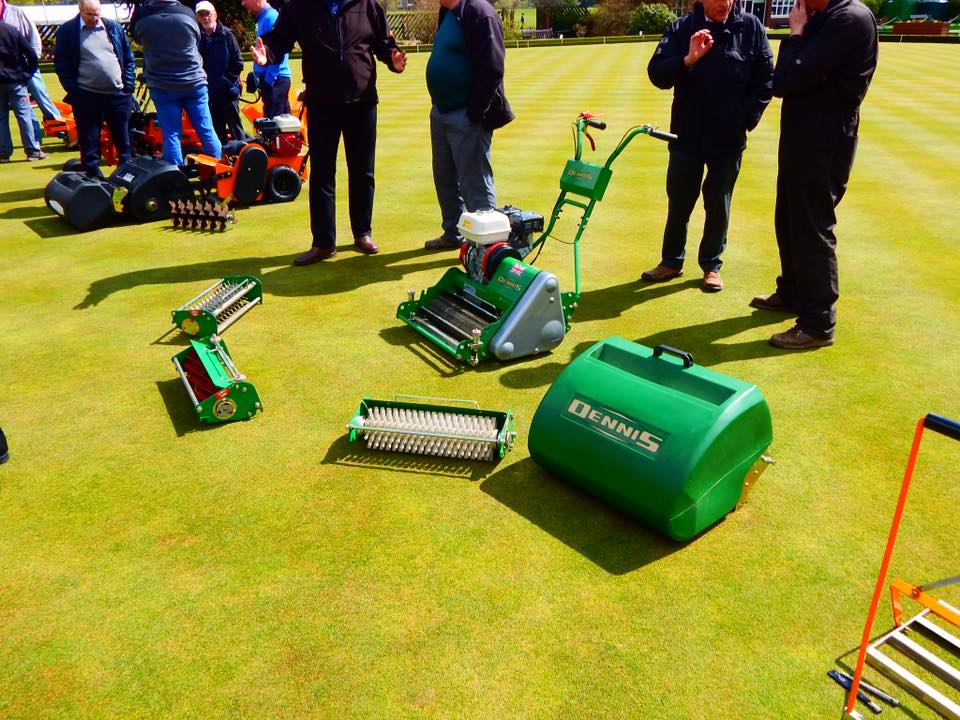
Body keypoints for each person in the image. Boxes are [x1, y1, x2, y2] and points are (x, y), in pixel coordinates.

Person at [752, 0, 877, 349]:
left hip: (826, 135)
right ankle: (792, 292)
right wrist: (802, 62)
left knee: (811, 224)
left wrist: (795, 35)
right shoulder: (822, 18)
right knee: (789, 216)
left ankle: (818, 323)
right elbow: (794, 77)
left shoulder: (848, 18)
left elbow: (786, 78)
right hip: (803, 132)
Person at [253, 0, 406, 264]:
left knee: (363, 171)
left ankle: (362, 233)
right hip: (322, 103)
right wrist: (267, 54)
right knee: (322, 173)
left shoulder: (367, 4)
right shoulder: (298, 7)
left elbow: (384, 43)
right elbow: (279, 40)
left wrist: (394, 60)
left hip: (362, 102)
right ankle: (323, 243)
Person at [642, 0, 772, 292]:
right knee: (679, 201)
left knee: (718, 203)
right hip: (687, 135)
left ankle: (711, 266)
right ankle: (671, 261)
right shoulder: (681, 28)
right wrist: (687, 59)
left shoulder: (751, 27)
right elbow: (657, 73)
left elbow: (765, 79)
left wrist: (746, 120)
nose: (724, 3)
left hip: (728, 138)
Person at [422, 0, 513, 251]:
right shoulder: (448, 13)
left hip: (466, 114)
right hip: (442, 111)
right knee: (445, 180)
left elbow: (493, 67)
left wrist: (475, 112)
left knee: (475, 183)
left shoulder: (479, 11)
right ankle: (453, 233)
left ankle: (488, 246)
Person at [132, 0, 222, 165]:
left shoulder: (143, 18)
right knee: (206, 130)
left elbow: (136, 37)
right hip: (193, 82)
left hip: (162, 85)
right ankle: (219, 174)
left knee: (171, 135)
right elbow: (197, 38)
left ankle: (176, 182)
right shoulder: (187, 14)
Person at [54, 0, 136, 176]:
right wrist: (73, 90)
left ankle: (127, 176)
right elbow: (61, 64)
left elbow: (128, 58)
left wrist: (128, 86)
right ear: (80, 10)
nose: (94, 18)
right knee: (89, 140)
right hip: (86, 95)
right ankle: (93, 178)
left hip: (118, 94)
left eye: (97, 13)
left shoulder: (113, 27)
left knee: (124, 140)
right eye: (90, 14)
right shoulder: (68, 31)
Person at [196, 0, 246, 144]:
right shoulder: (199, 38)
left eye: (208, 14)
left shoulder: (227, 35)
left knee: (237, 132)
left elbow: (238, 63)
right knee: (217, 133)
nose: (205, 18)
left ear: (215, 15)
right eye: (201, 15)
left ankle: (244, 162)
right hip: (210, 94)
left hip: (228, 93)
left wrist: (225, 82)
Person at [0, 18, 43, 162]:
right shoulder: (12, 30)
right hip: (16, 80)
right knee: (24, 115)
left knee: (1, 118)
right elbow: (31, 54)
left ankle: (3, 153)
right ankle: (32, 151)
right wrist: (27, 73)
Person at [243, 0, 291, 119]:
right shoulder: (264, 17)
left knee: (275, 127)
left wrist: (268, 80)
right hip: (273, 80)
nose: (243, 4)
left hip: (276, 81)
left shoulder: (270, 17)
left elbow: (280, 49)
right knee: (276, 126)